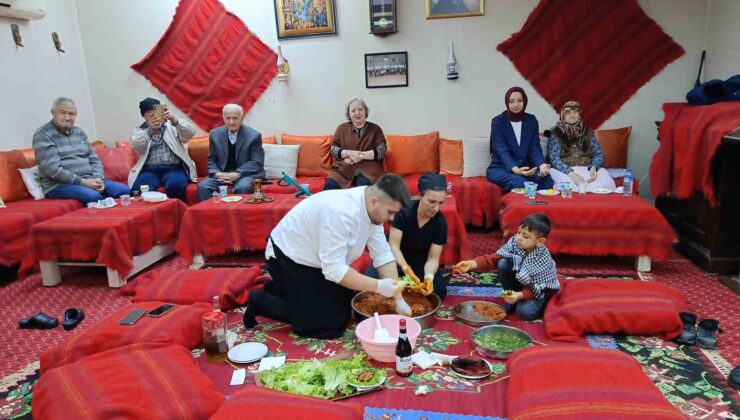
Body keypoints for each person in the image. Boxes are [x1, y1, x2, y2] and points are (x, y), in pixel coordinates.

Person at [244, 174, 412, 339]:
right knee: (329, 324)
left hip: (319, 261)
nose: (392, 218)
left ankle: (281, 291)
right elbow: (335, 271)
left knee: (346, 304)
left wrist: (398, 298)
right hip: (288, 258)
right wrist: (379, 286)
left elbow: (382, 254)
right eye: (390, 212)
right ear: (374, 201)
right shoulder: (340, 213)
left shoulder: (372, 208)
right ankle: (261, 302)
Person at [454, 213, 559, 321]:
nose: (519, 237)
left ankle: (539, 304)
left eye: (525, 236)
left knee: (525, 312)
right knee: (502, 262)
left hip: (539, 291)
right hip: (522, 282)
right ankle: (511, 297)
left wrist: (520, 295)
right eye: (519, 232)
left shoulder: (542, 259)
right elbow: (495, 258)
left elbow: (539, 288)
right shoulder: (515, 242)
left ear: (540, 242)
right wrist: (472, 264)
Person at [365, 173, 449, 300]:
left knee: (439, 290)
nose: (436, 208)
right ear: (420, 195)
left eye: (441, 202)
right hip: (395, 259)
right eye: (431, 201)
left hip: (420, 263)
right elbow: (394, 246)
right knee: (370, 282)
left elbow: (433, 259)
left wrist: (428, 277)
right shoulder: (404, 211)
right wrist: (406, 269)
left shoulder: (440, 222)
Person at [33, 97, 129, 204]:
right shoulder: (43, 135)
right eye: (62, 113)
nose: (67, 117)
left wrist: (98, 179)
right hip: (59, 185)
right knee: (92, 196)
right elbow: (53, 170)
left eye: (71, 114)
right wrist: (83, 182)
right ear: (53, 112)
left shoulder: (79, 132)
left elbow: (94, 159)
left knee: (125, 191)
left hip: (89, 180)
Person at [129, 97, 197, 201]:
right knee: (138, 190)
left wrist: (175, 120)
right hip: (150, 171)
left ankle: (176, 214)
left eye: (154, 110)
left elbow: (190, 133)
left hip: (174, 168)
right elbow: (137, 146)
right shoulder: (138, 131)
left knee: (175, 186)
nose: (152, 114)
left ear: (161, 111)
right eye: (148, 111)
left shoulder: (172, 126)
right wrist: (150, 131)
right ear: (143, 115)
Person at [486, 87, 554, 191]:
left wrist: (542, 165)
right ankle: (512, 206)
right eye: (511, 101)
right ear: (507, 102)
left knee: (547, 180)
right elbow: (502, 150)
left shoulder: (531, 121)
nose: (516, 105)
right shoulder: (498, 122)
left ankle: (539, 206)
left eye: (520, 100)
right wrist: (516, 169)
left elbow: (534, 148)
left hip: (526, 167)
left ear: (525, 101)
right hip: (501, 168)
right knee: (519, 181)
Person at [197, 104, 265, 201]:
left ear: (242, 118)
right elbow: (211, 159)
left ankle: (237, 215)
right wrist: (217, 173)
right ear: (223, 118)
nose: (231, 122)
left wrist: (237, 174)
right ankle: (210, 215)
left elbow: (257, 162)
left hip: (245, 174)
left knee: (243, 187)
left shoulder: (254, 136)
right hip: (222, 174)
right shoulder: (214, 134)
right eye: (228, 118)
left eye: (235, 118)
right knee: (203, 186)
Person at [546, 101, 616, 192]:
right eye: (568, 113)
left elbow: (599, 154)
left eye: (575, 112)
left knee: (606, 180)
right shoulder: (556, 133)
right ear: (563, 115)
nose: (572, 115)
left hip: (586, 169)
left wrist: (594, 167)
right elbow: (554, 158)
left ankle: (585, 192)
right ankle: (582, 191)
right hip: (564, 171)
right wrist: (572, 174)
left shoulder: (588, 132)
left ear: (580, 114)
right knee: (563, 182)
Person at [324, 98, 387, 190]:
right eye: (353, 110)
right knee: (330, 185)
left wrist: (359, 156)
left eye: (360, 109)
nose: (357, 113)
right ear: (349, 114)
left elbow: (381, 152)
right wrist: (350, 153)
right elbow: (334, 150)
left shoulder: (375, 129)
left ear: (365, 111)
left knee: (363, 186)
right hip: (344, 167)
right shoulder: (342, 128)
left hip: (369, 169)